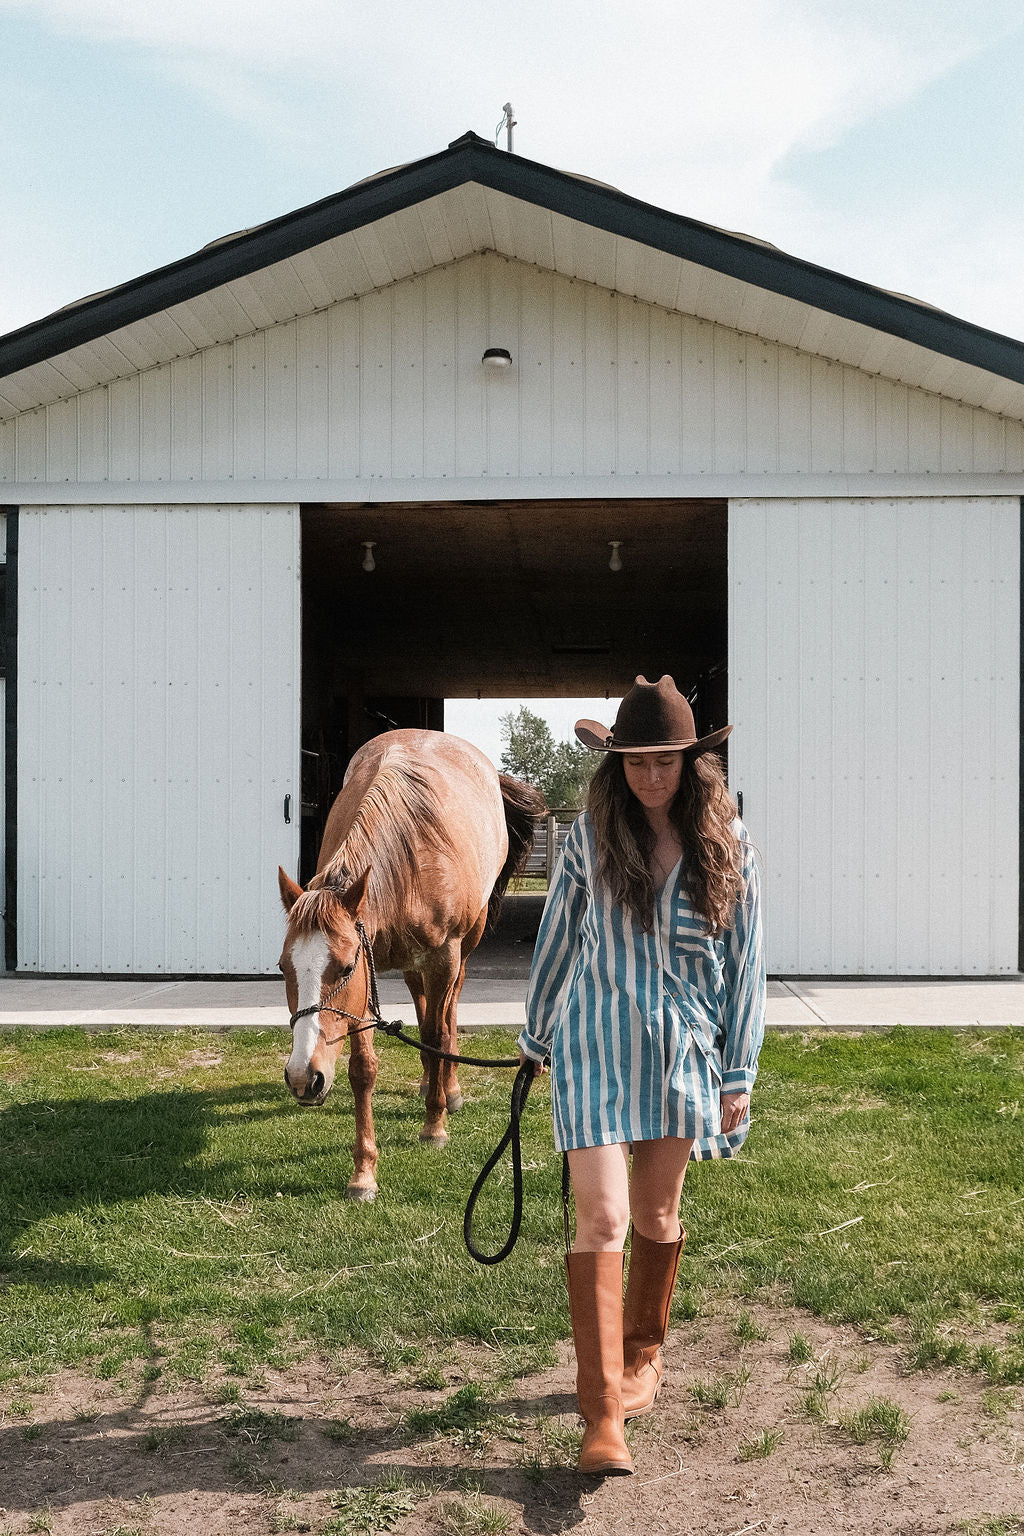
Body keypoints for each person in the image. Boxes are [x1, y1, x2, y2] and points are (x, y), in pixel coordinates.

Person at [518, 675, 765, 1477]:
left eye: (665, 761)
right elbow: (557, 940)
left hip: (683, 1055)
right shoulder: (591, 841)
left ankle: (643, 1354)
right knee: (603, 1220)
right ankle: (602, 1421)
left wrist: (739, 1072)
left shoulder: (728, 843)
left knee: (657, 1216)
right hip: (592, 1046)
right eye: (635, 762)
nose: (650, 777)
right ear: (615, 765)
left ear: (693, 763)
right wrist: (534, 1037)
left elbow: (745, 967)